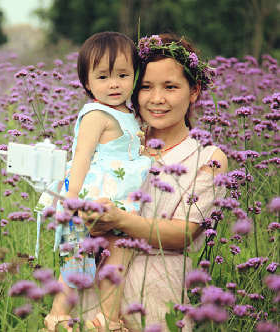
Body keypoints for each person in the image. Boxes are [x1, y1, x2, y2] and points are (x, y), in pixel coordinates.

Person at [79, 33, 228, 332]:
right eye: (145, 86)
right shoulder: (118, 141)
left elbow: (182, 234)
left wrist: (118, 219)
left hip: (158, 302)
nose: (156, 98)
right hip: (97, 296)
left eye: (170, 87)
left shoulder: (208, 158)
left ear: (194, 91)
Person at [36, 32, 151, 332]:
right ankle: (57, 316)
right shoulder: (95, 114)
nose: (114, 84)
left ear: (134, 77)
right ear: (87, 82)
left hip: (120, 201)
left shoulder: (128, 112)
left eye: (123, 75)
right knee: (78, 256)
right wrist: (71, 197)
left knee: (118, 255)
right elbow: (81, 157)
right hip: (92, 196)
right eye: (103, 77)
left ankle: (106, 320)